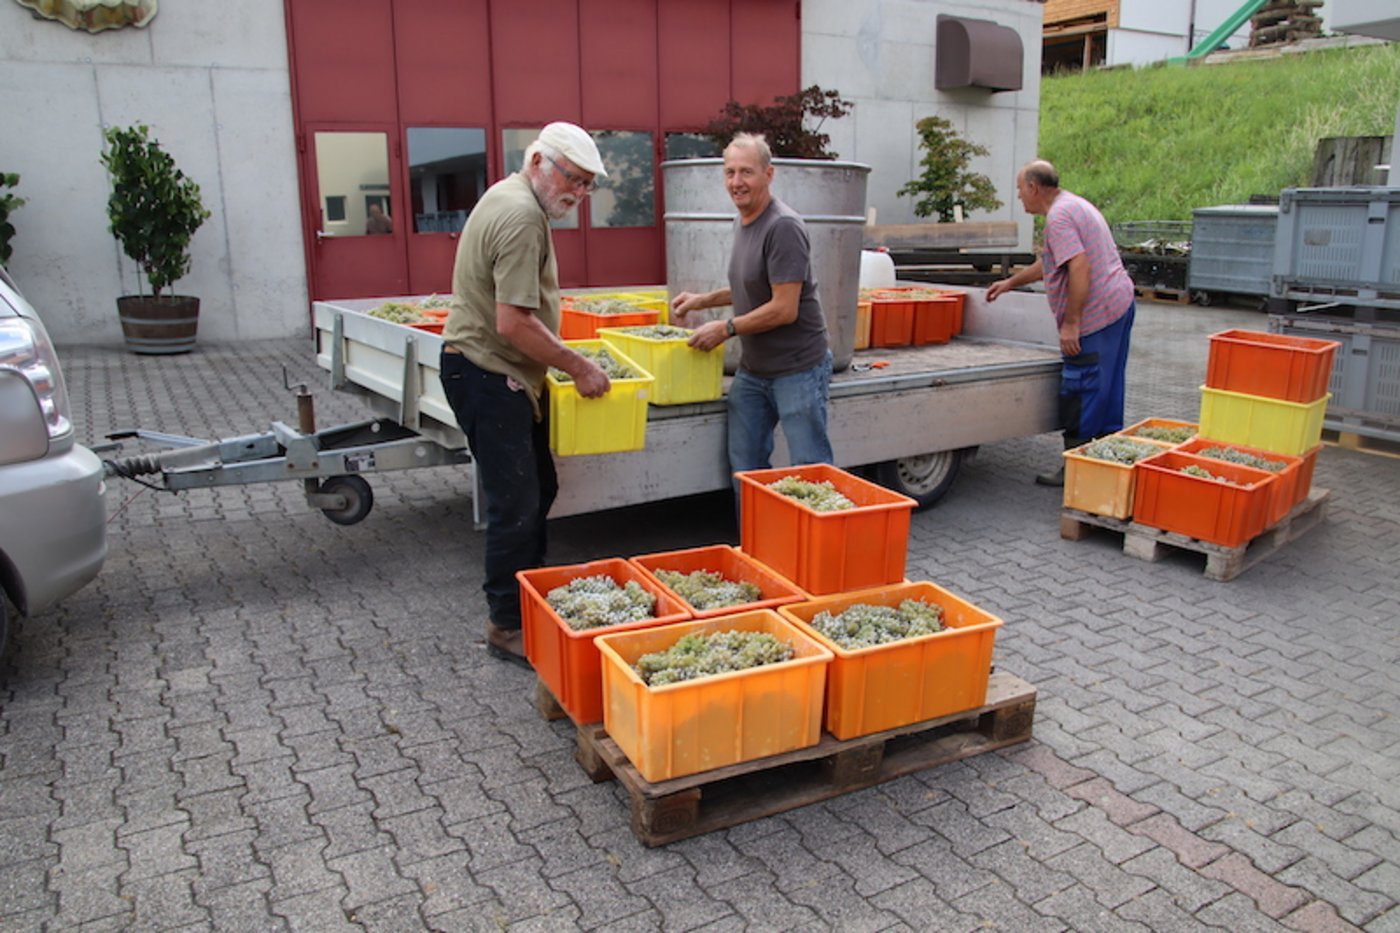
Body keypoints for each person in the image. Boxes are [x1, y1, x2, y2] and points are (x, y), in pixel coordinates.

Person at [439, 122, 611, 665]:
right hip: (488, 373)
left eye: (586, 186)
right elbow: (513, 322)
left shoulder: (511, 196)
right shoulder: (520, 217)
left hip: (496, 373)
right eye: (572, 179)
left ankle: (528, 598)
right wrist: (578, 366)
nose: (577, 194)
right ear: (538, 161)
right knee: (515, 504)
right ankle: (506, 625)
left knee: (537, 487)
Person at [671, 132, 834, 483]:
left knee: (810, 469)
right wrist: (702, 300)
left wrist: (725, 328)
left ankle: (816, 537)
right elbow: (752, 286)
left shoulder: (783, 227)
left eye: (746, 172)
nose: (736, 182)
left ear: (768, 174)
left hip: (798, 369)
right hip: (755, 371)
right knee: (745, 468)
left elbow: (784, 308)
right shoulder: (742, 220)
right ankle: (758, 537)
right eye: (729, 172)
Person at [986, 159, 1135, 487]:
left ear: (1033, 188)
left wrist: (1072, 324)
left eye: (1019, 190)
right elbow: (1052, 262)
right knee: (1108, 388)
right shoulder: (1074, 205)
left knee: (1082, 388)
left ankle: (1076, 472)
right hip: (1118, 304)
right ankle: (1105, 466)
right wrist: (1010, 283)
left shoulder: (1059, 217)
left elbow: (1079, 267)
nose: (1019, 196)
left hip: (1098, 314)